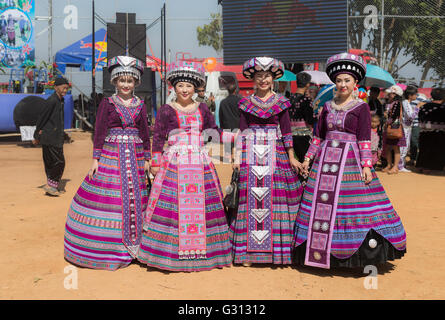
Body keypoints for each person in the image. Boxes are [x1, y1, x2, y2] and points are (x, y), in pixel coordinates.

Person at [293, 52, 406, 269]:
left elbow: (364, 138)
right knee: (322, 205)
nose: (342, 84)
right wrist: (307, 159)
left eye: (347, 80)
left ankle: (351, 253)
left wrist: (366, 165)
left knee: (351, 206)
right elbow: (318, 136)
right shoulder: (326, 107)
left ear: (355, 83)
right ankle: (319, 250)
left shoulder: (361, 107)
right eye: (339, 80)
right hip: (324, 163)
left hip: (350, 163)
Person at [137, 61, 233, 272]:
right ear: (174, 87)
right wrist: (155, 162)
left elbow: (214, 132)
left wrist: (236, 137)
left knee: (203, 205)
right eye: (180, 86)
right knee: (173, 207)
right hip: (174, 164)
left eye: (189, 86)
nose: (185, 90)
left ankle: (205, 253)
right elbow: (159, 137)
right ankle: (167, 253)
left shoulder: (203, 109)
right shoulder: (166, 110)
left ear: (195, 88)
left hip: (199, 163)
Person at [64, 56, 151, 270]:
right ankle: (110, 249)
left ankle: (139, 246)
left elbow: (145, 132)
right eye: (121, 81)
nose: (125, 85)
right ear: (114, 82)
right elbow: (100, 130)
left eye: (130, 81)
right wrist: (96, 158)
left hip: (136, 156)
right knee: (112, 197)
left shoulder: (140, 105)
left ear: (136, 83)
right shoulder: (107, 103)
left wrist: (148, 157)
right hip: (112, 155)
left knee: (137, 197)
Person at [230, 57, 304, 266]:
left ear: (273, 79)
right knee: (249, 199)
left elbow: (287, 131)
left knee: (274, 198)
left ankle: (275, 253)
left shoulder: (281, 102)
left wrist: (291, 156)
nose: (263, 80)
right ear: (253, 79)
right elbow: (242, 132)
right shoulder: (245, 103)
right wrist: (237, 156)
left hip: (275, 152)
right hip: (251, 153)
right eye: (259, 76)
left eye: (267, 76)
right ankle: (248, 254)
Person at [33, 77, 70, 196]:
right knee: (59, 162)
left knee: (51, 162)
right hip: (50, 137)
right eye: (63, 87)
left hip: (55, 136)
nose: (65, 90)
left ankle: (51, 186)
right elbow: (42, 118)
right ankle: (51, 186)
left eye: (67, 88)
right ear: (55, 88)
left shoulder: (61, 101)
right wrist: (36, 135)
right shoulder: (52, 101)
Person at [416, 88, 445, 173]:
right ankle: (431, 167)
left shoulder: (424, 106)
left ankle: (420, 166)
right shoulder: (442, 108)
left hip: (423, 131)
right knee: (435, 149)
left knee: (424, 148)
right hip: (438, 133)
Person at [288, 71, 316, 161]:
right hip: (303, 136)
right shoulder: (306, 100)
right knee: (306, 161)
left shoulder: (289, 99)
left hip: (290, 136)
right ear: (307, 84)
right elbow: (310, 120)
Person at [382, 85, 405, 174]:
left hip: (394, 127)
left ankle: (395, 167)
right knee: (388, 147)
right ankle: (389, 165)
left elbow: (395, 115)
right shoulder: (388, 103)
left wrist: (387, 120)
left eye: (391, 93)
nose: (389, 95)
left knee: (396, 147)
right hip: (389, 128)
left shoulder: (397, 103)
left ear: (395, 94)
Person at [398, 85, 420, 172]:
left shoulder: (406, 103)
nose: (416, 96)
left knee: (405, 146)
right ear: (410, 95)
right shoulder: (406, 103)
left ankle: (402, 165)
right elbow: (411, 117)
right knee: (403, 146)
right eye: (415, 94)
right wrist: (417, 108)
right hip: (405, 128)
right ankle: (400, 166)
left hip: (407, 127)